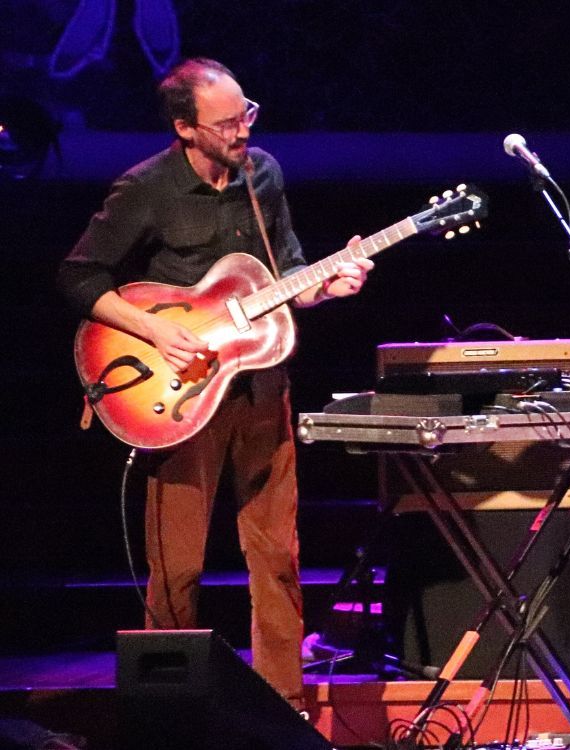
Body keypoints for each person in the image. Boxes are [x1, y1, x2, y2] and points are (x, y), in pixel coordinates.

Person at [56, 57, 373, 711]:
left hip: (260, 389)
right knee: (178, 567)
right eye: (226, 122)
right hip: (179, 395)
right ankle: (169, 707)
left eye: (246, 113)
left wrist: (328, 285)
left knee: (277, 555)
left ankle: (287, 705)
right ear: (185, 129)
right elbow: (80, 277)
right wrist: (151, 329)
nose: (242, 129)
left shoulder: (264, 175)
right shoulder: (145, 187)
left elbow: (286, 274)